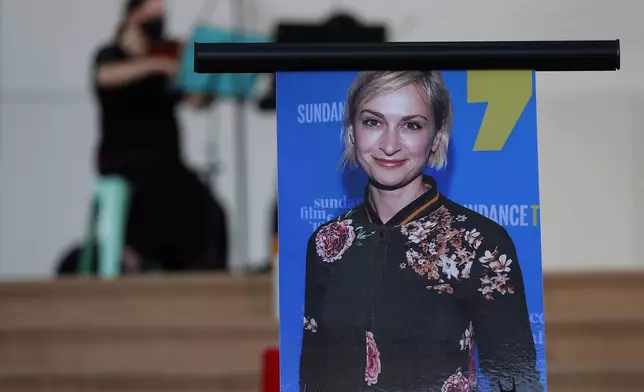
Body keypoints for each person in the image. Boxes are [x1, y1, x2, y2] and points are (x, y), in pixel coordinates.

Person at [299, 71, 542, 391]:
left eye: (411, 125)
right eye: (373, 122)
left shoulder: (481, 245)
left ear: (437, 137)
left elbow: (515, 382)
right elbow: (312, 376)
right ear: (351, 132)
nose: (389, 144)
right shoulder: (326, 244)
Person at [91, 0, 228, 273]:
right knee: (161, 194)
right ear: (132, 17)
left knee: (212, 210)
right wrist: (156, 64)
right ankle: (137, 256)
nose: (158, 21)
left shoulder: (169, 57)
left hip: (167, 161)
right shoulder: (111, 54)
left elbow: (195, 100)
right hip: (125, 159)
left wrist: (204, 77)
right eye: (151, 14)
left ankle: (198, 274)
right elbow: (104, 76)